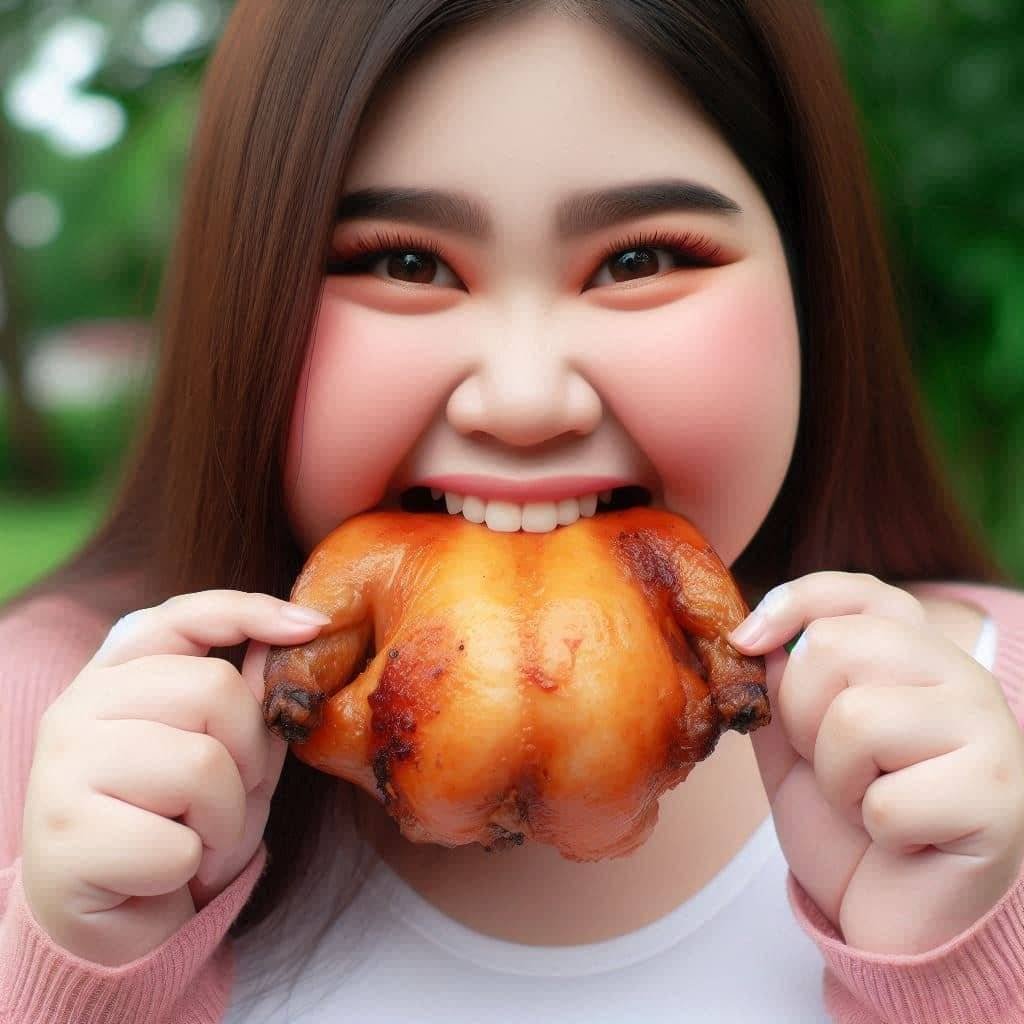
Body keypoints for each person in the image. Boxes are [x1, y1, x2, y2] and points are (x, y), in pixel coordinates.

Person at [1, 1, 1022, 1021]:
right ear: (244, 295)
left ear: (811, 282)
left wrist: (957, 967)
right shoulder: (46, 735)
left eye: (640, 260)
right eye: (404, 262)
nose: (526, 401)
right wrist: (75, 974)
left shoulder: (994, 719)